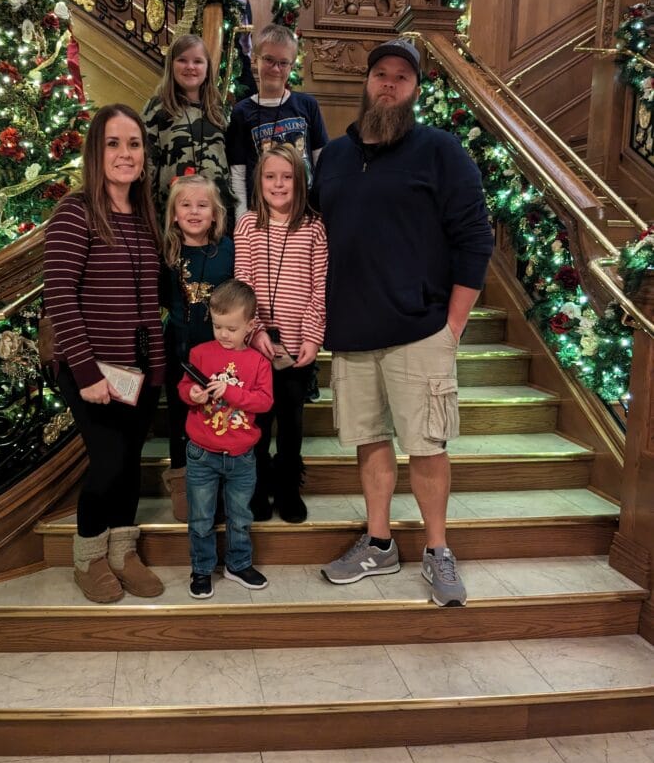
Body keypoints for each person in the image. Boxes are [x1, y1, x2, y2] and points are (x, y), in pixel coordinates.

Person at [311, 39, 493, 607]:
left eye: (402, 78)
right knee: (369, 442)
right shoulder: (333, 158)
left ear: (415, 90)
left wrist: (453, 326)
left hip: (420, 330)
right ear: (366, 82)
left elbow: (475, 238)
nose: (389, 84)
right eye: (381, 75)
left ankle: (437, 549)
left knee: (428, 445)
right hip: (352, 330)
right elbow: (313, 238)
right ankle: (380, 542)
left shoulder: (439, 150)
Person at [43, 103, 166, 603]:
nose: (125, 153)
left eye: (133, 144)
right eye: (114, 143)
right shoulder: (76, 212)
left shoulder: (143, 215)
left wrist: (156, 368)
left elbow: (149, 299)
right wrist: (87, 371)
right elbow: (60, 296)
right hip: (91, 370)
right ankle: (89, 556)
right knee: (109, 462)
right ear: (97, 151)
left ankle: (122, 551)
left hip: (138, 372)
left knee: (130, 462)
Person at [234, 143, 327, 523]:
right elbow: (244, 283)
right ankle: (257, 488)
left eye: (287, 177)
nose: (278, 184)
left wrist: (311, 338)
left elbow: (318, 290)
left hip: (296, 348)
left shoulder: (314, 229)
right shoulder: (247, 226)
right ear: (260, 181)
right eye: (271, 177)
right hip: (256, 348)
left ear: (300, 180)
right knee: (257, 421)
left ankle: (288, 488)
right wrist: (255, 332)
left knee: (291, 423)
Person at [179, 279, 273, 599]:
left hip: (241, 455)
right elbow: (184, 387)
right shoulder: (200, 353)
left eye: (232, 328)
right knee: (201, 517)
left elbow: (264, 402)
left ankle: (238, 563)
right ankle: (202, 568)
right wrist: (192, 394)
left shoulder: (258, 362)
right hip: (201, 453)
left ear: (249, 325)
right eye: (218, 326)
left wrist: (230, 391)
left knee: (240, 516)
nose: (223, 334)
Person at [161, 173, 234, 519]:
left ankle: (220, 491)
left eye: (202, 205)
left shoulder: (228, 249)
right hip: (178, 350)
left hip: (219, 354)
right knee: (181, 420)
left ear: (215, 213)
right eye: (185, 205)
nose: (193, 211)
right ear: (174, 213)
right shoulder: (167, 253)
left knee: (218, 419)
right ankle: (184, 491)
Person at [226, 24, 328, 220]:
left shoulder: (307, 105)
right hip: (261, 217)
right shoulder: (242, 112)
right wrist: (242, 221)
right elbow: (238, 173)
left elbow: (322, 160)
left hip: (305, 213)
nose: (275, 68)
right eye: (269, 60)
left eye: (283, 63)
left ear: (291, 66)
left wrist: (322, 211)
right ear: (255, 60)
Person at [142, 33, 236, 232]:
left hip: (216, 217)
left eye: (197, 61)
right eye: (182, 60)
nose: (190, 67)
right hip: (172, 216)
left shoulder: (219, 109)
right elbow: (147, 163)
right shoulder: (157, 108)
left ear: (207, 67)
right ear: (171, 65)